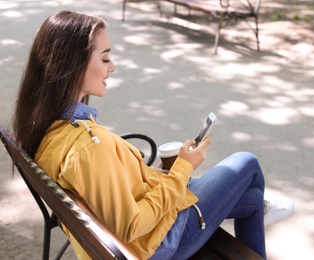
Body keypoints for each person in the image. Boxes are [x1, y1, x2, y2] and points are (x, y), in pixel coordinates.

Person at [13, 10, 293, 260]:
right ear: (72, 65)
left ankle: (263, 207)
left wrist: (156, 173)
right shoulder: (89, 146)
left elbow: (108, 189)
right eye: (106, 57)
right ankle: (266, 208)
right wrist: (183, 169)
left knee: (253, 200)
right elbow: (132, 226)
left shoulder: (48, 127)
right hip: (160, 242)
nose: (113, 67)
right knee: (246, 163)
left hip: (139, 226)